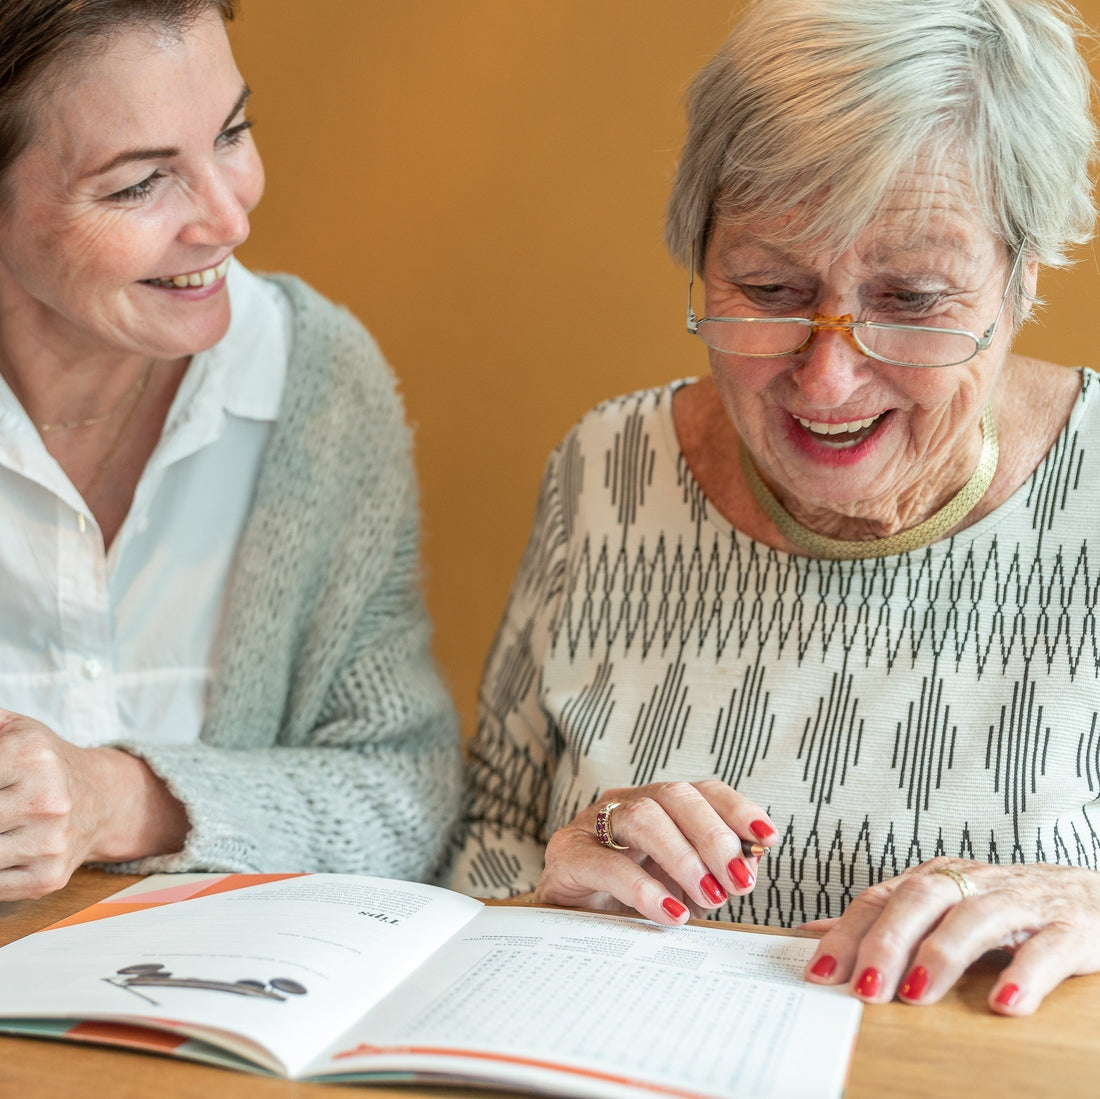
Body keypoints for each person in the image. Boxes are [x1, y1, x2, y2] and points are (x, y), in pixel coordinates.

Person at [454, 0, 1100, 1015]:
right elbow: (480, 845)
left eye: (911, 299)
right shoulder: (606, 467)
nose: (828, 377)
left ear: (1020, 278)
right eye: (767, 286)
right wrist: (547, 889)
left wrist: (1085, 902)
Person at [0, 0, 461, 901]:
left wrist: (120, 798)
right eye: (140, 184)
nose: (228, 218)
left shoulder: (315, 383)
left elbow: (405, 794)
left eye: (233, 133)